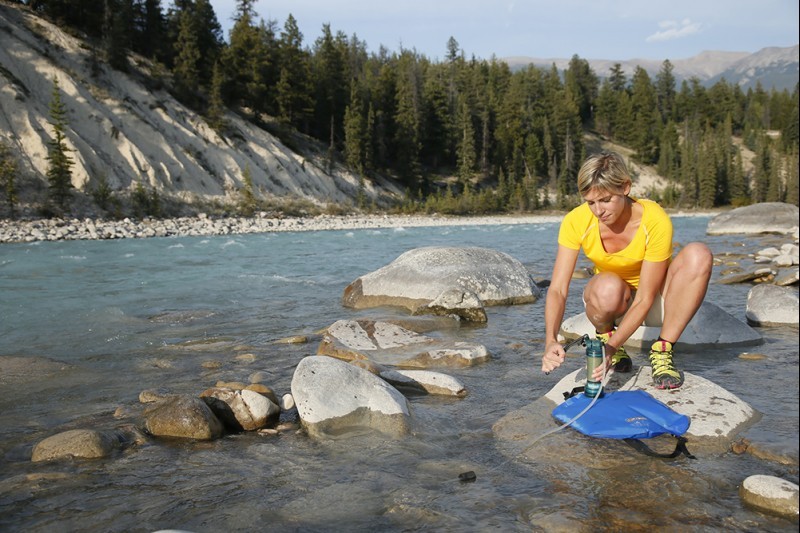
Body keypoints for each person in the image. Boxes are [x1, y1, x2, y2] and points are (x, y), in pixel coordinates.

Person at [540, 151, 713, 389]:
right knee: (605, 285)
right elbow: (558, 289)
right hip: (613, 304)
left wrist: (609, 351)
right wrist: (551, 340)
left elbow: (644, 299)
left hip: (656, 303)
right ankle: (608, 336)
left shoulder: (654, 220)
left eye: (606, 200)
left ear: (626, 188)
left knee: (698, 254)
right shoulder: (576, 221)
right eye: (591, 202)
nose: (598, 211)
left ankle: (662, 350)